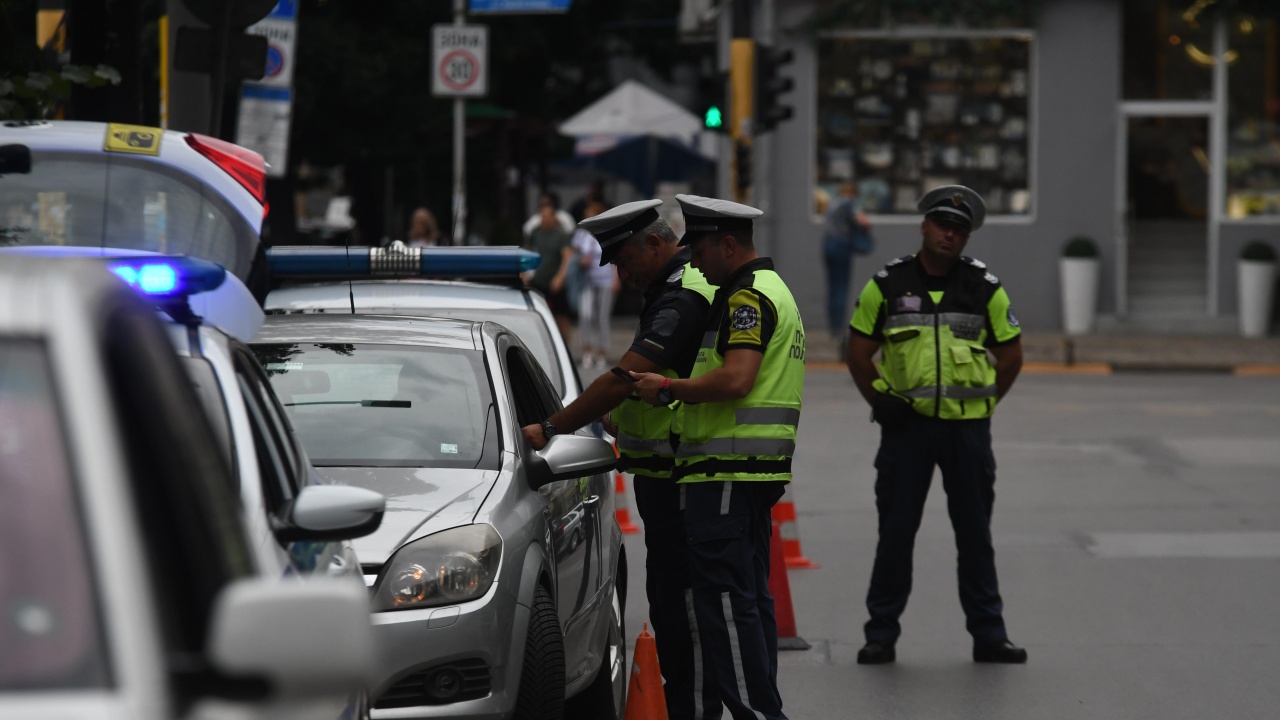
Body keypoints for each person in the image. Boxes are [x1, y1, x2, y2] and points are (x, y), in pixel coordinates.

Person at [520, 198, 719, 720]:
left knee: (686, 614)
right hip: (667, 474)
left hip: (682, 475)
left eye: (624, 259)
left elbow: (622, 378)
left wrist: (550, 427)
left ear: (655, 243)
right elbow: (648, 390)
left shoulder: (680, 298)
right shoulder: (667, 292)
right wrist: (622, 417)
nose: (620, 272)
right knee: (675, 607)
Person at [632, 194, 805, 720]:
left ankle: (757, 715)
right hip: (747, 472)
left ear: (728, 245)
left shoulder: (746, 298)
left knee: (725, 608)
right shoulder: (770, 288)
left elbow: (736, 378)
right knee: (747, 601)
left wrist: (666, 389)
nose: (696, 262)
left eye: (701, 250)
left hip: (726, 472)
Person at [844, 185, 1027, 665]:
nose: (951, 233)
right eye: (943, 224)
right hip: (907, 432)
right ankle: (880, 634)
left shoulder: (984, 287)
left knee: (975, 536)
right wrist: (882, 400)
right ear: (924, 226)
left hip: (967, 434)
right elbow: (859, 353)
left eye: (960, 229)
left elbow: (1010, 357)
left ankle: (990, 635)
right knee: (896, 533)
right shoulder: (887, 284)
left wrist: (985, 405)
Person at [821, 181, 872, 352]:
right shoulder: (848, 203)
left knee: (833, 288)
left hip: (828, 245)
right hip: (842, 246)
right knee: (842, 287)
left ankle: (834, 326)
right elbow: (862, 221)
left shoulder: (832, 203)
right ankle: (840, 329)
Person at [571, 201, 620, 368]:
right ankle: (587, 350)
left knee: (602, 317)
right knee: (585, 315)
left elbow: (614, 259)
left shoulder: (607, 233)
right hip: (586, 280)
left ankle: (602, 352)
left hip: (605, 279)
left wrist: (616, 279)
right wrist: (580, 260)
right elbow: (573, 254)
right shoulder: (581, 234)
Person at [525, 202, 575, 341]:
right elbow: (528, 251)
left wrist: (560, 277)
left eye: (547, 215)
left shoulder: (560, 235)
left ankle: (566, 345)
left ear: (553, 217)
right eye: (542, 215)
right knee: (536, 312)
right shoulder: (535, 233)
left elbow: (567, 256)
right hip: (538, 279)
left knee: (562, 315)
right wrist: (524, 272)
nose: (544, 218)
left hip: (554, 280)